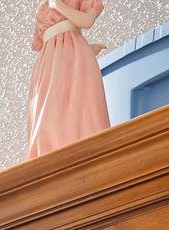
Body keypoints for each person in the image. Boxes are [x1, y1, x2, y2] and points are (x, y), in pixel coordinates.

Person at [26, 0, 109, 160]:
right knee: (49, 112)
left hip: (71, 56)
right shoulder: (43, 6)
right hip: (48, 63)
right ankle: (49, 157)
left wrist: (58, 5)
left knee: (76, 106)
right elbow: (38, 42)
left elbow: (87, 21)